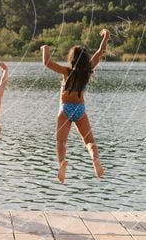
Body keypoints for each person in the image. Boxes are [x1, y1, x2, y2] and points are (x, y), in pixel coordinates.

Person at [41, 29, 109, 183]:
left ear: (71, 59)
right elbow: (100, 52)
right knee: (89, 142)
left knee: (60, 142)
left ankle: (61, 164)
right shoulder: (87, 71)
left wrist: (45, 48)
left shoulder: (66, 72)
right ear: (85, 60)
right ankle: (95, 159)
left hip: (65, 109)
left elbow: (47, 62)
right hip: (80, 110)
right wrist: (106, 36)